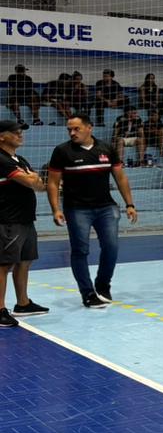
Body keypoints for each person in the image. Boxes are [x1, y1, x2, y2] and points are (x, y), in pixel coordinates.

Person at [46, 114, 138, 308]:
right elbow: (53, 183)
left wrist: (130, 204)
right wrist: (55, 209)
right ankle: (87, 293)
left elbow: (120, 178)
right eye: (69, 129)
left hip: (106, 207)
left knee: (111, 247)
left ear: (89, 128)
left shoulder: (106, 148)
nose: (72, 133)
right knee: (80, 250)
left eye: (76, 129)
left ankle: (103, 285)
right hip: (76, 209)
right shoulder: (62, 151)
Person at [0, 119, 48, 326]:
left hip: (26, 218)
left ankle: (23, 303)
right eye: (15, 132)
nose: (20, 134)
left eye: (20, 131)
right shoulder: (1, 159)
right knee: (3, 264)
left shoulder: (19, 159)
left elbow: (40, 186)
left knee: (24, 261)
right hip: (8, 219)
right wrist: (33, 178)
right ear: (2, 136)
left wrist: (33, 178)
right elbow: (31, 181)